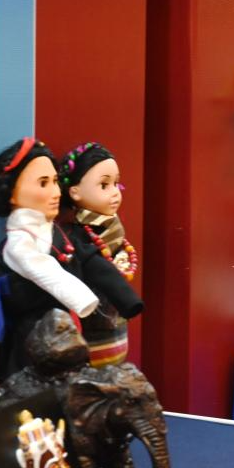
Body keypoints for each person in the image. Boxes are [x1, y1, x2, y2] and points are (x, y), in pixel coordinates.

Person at [0, 138, 142, 380]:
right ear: (12, 192)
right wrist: (83, 300)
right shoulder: (19, 244)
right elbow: (44, 270)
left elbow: (91, 261)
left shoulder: (60, 234)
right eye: (43, 183)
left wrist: (126, 299)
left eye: (55, 181)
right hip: (33, 343)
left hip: (69, 334)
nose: (55, 192)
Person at [59, 142, 140, 367]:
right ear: (75, 192)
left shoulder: (113, 231)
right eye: (104, 185)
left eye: (116, 183)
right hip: (89, 332)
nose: (115, 192)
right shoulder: (76, 238)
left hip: (116, 330)